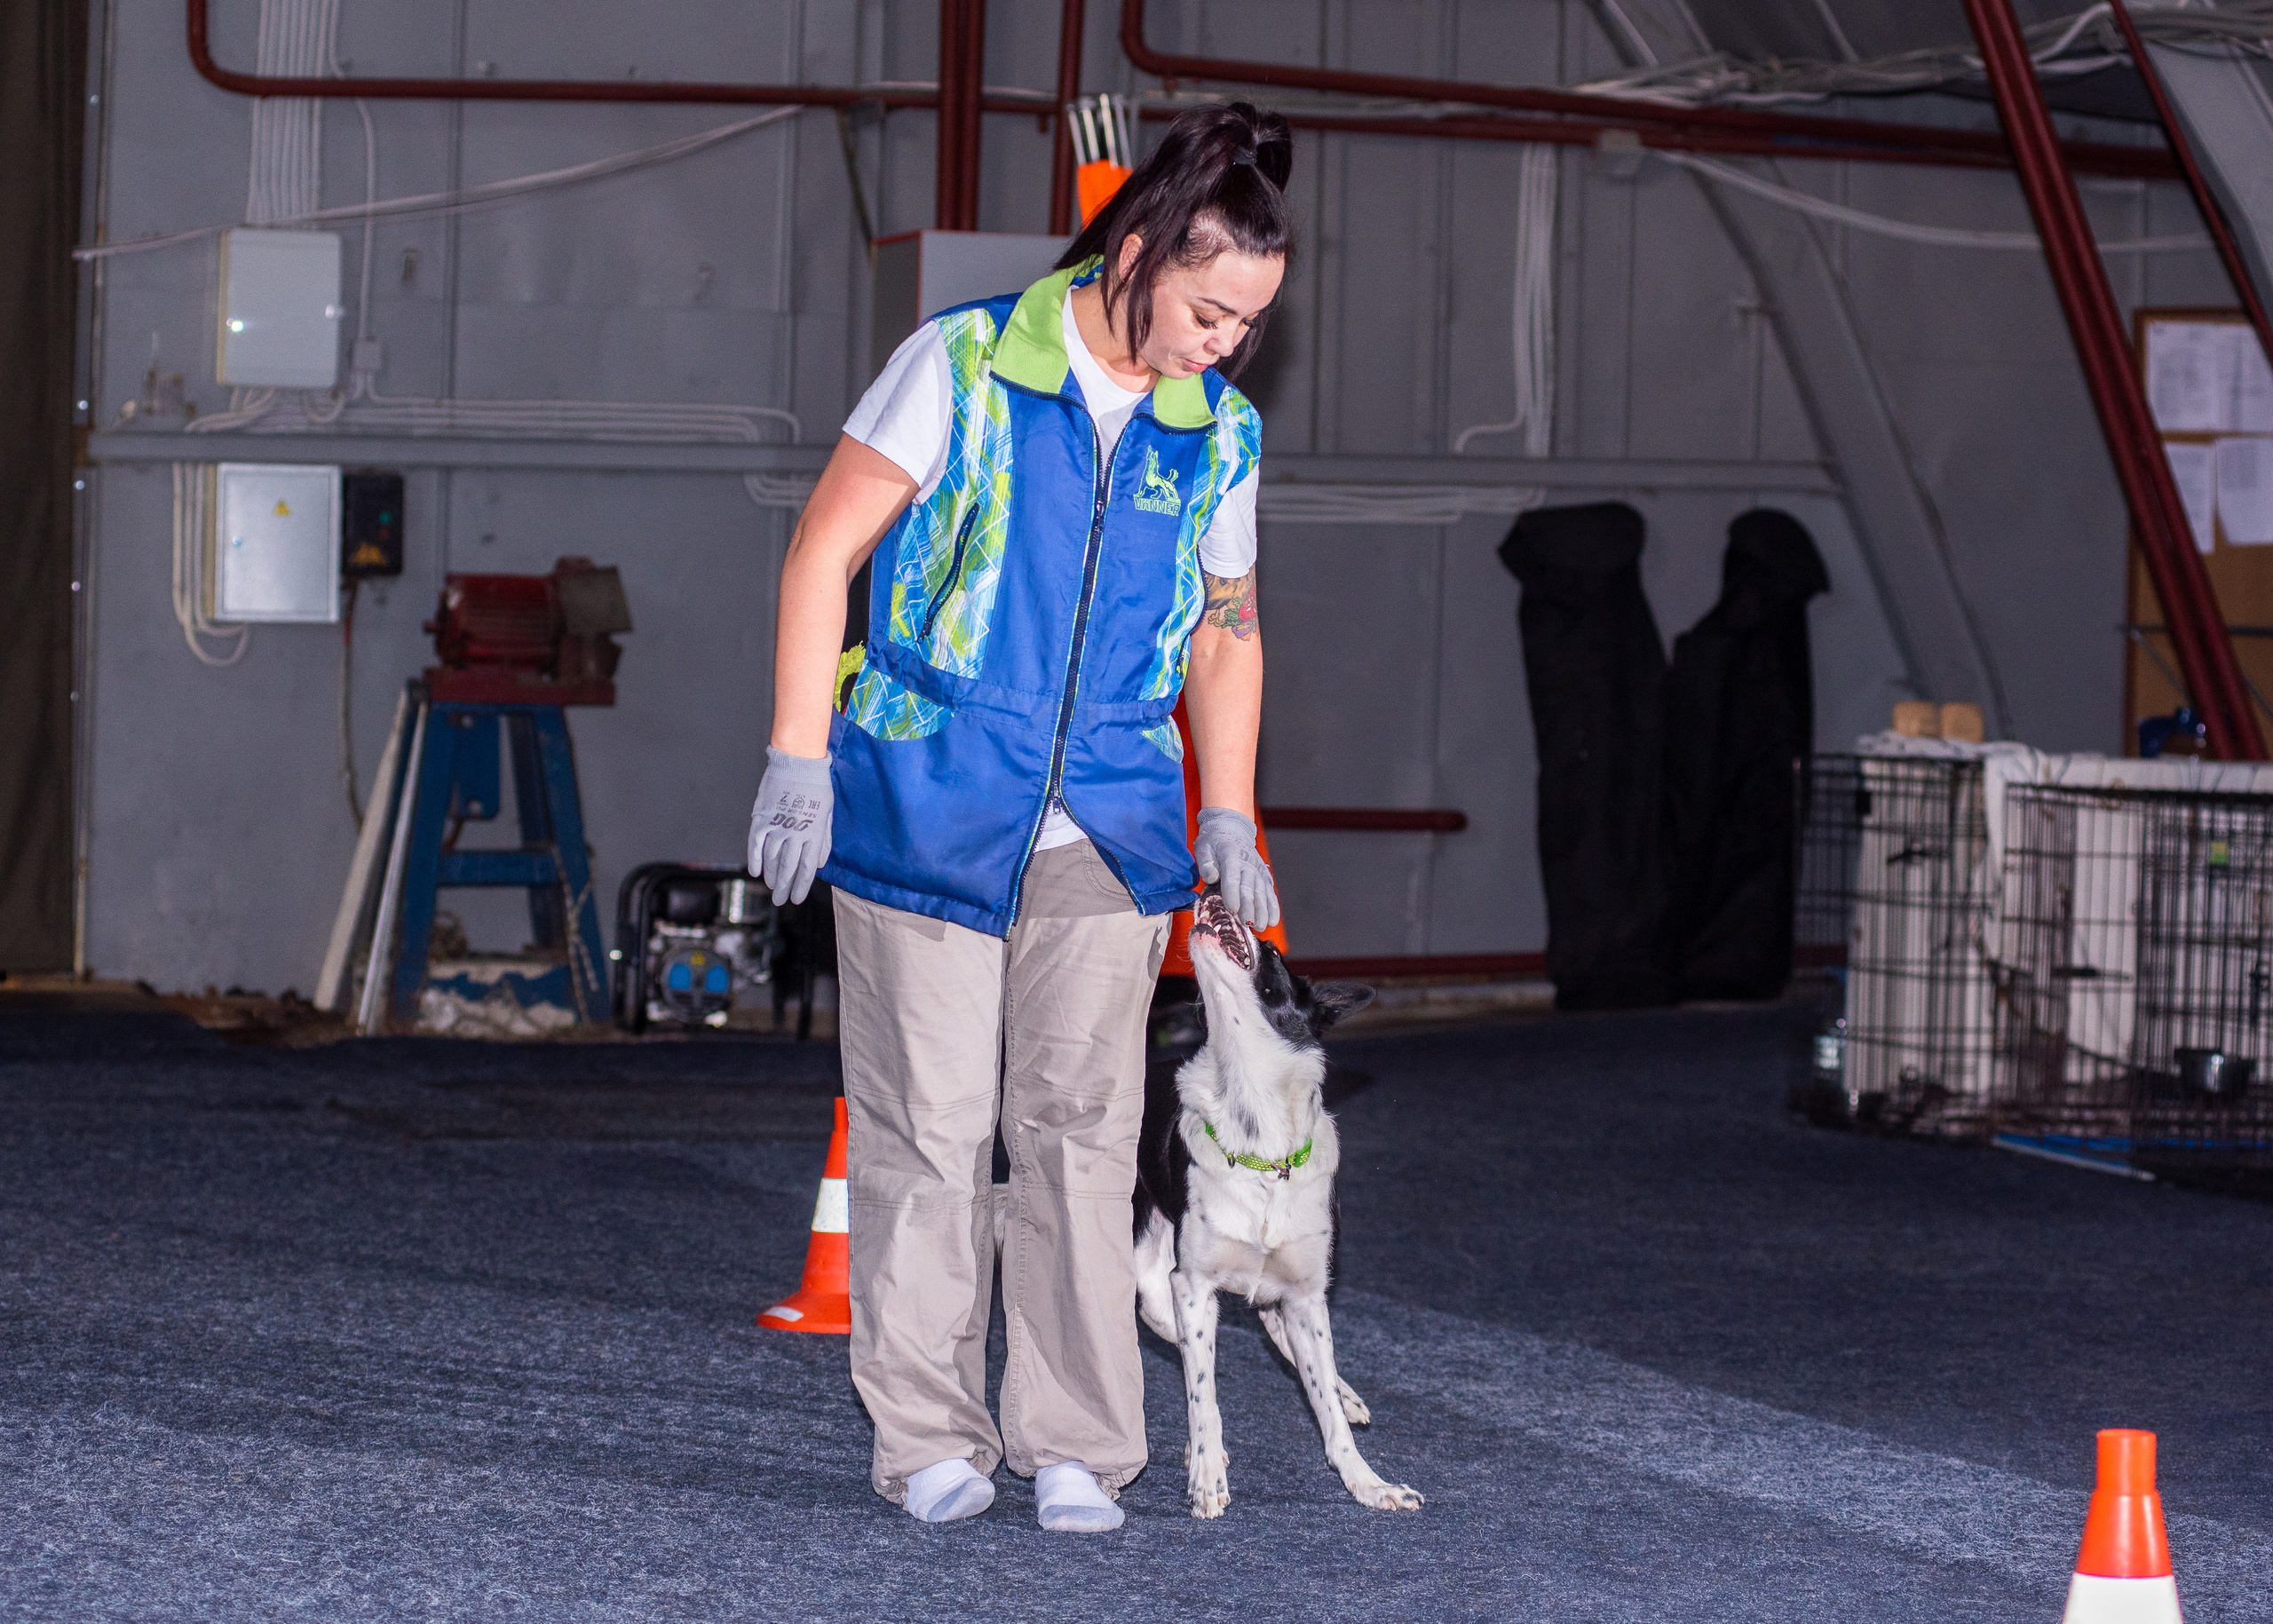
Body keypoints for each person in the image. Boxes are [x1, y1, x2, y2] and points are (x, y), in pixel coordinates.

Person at [749, 101, 1294, 1533]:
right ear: (1137, 251)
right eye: (1211, 309)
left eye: (1248, 322)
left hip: (1111, 826)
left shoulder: (1216, 436)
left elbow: (1226, 633)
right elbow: (825, 548)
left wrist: (1227, 810)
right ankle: (927, 1432)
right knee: (929, 1130)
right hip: (930, 801)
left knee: (1083, 1134)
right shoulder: (966, 362)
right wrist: (797, 754)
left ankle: (1076, 1440)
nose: (1227, 343)